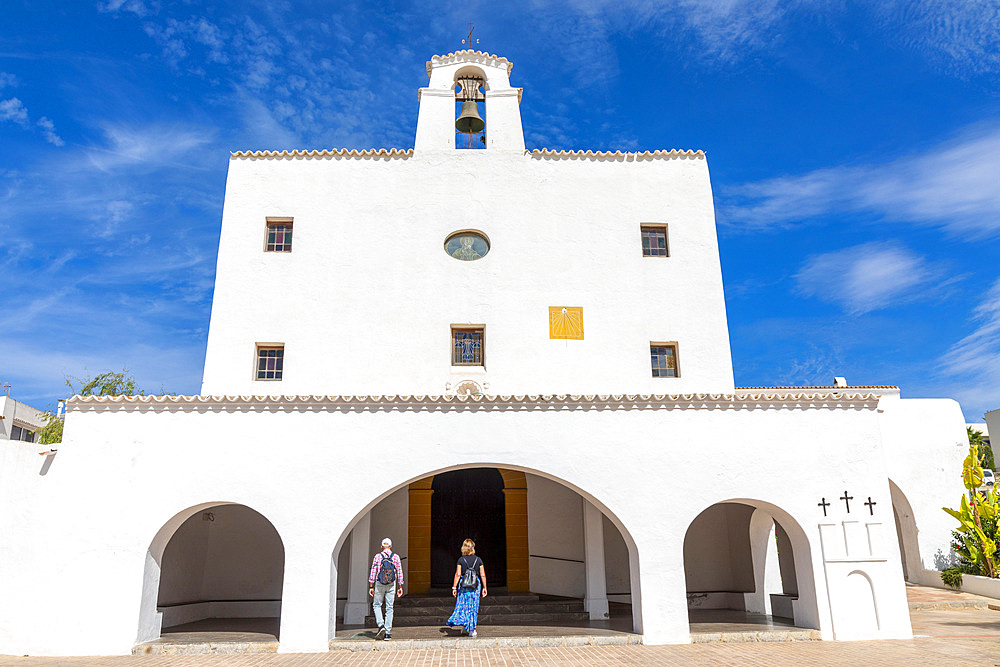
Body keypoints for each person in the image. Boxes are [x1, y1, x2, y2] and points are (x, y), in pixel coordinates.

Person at [446, 538, 487, 637]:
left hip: (464, 585)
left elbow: (458, 574)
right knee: (473, 606)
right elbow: (483, 575)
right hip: (475, 585)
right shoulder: (478, 559)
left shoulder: (461, 560)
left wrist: (454, 587)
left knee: (464, 605)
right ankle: (471, 629)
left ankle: (466, 625)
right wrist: (485, 587)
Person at [368, 537, 404, 640]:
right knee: (389, 608)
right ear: (391, 546)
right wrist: (400, 586)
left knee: (377, 605)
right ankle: (387, 633)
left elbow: (373, 572)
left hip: (379, 583)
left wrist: (371, 586)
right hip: (391, 584)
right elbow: (399, 572)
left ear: (381, 546)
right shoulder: (396, 557)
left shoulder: (378, 556)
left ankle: (381, 625)